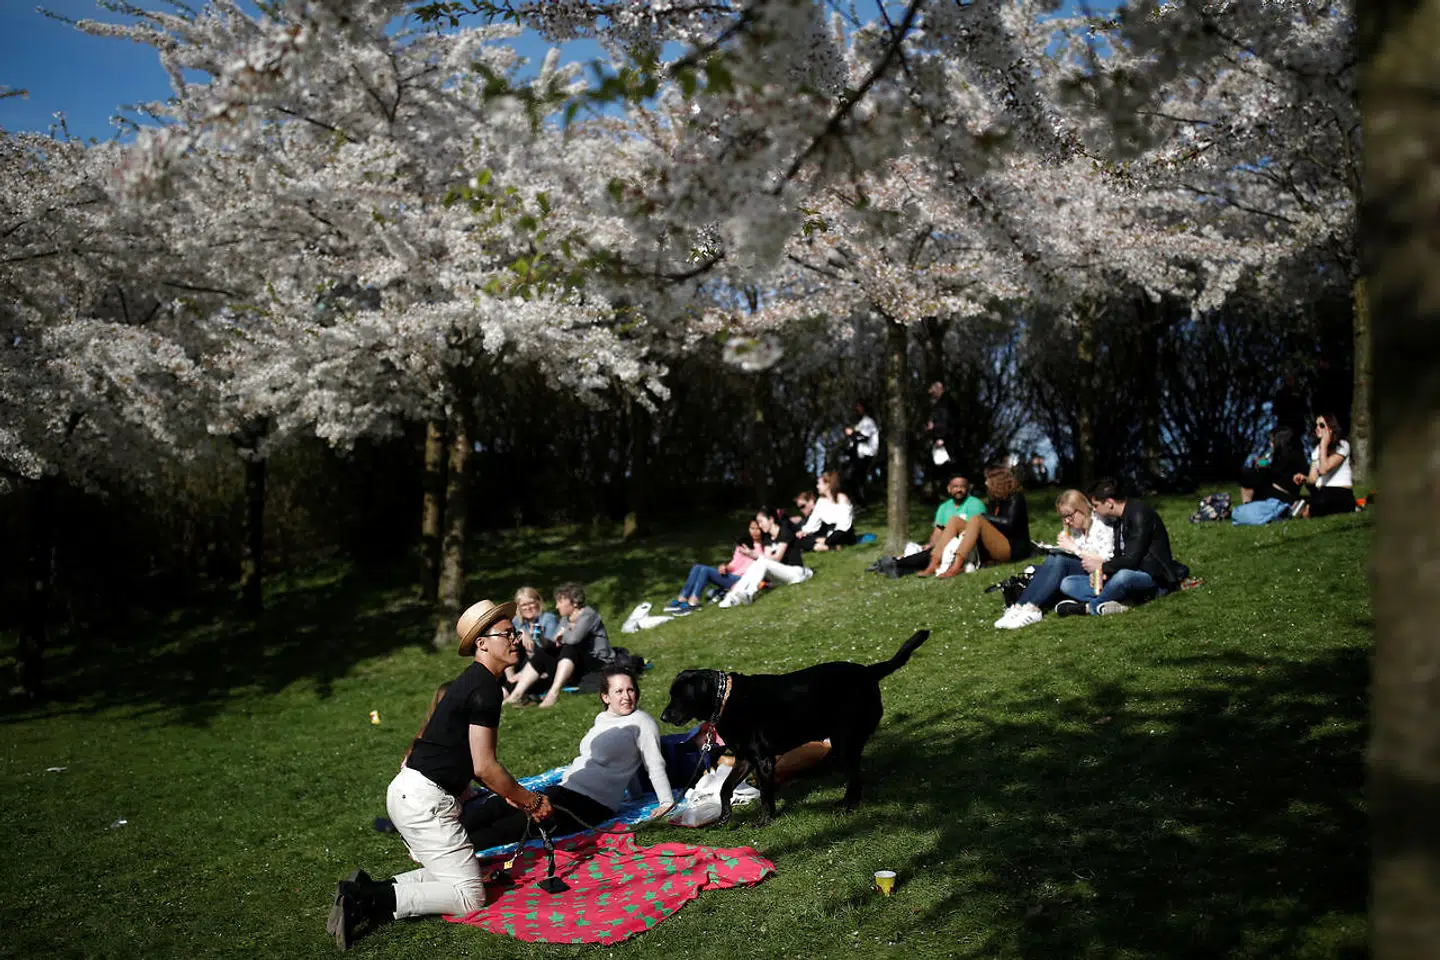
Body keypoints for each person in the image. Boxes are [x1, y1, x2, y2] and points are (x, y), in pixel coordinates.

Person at [328, 599, 552, 951]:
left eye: (516, 632)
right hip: (424, 802)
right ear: (482, 643)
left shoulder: (473, 682)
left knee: (452, 876)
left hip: (411, 793)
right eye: (507, 634)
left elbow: (467, 757)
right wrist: (532, 800)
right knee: (469, 896)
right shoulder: (486, 689)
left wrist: (509, 792)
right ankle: (365, 901)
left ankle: (370, 887)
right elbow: (485, 766)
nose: (516, 640)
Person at [462, 663, 674, 849]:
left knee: (514, 826)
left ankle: (451, 852)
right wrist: (635, 794)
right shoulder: (603, 719)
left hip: (590, 806)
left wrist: (666, 802)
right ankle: (440, 834)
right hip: (563, 792)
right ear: (605, 696)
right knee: (500, 804)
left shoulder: (642, 722)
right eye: (619, 691)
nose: (626, 696)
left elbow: (653, 763)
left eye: (630, 690)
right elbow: (628, 764)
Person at [1056, 477, 1189, 616]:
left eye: (1095, 505)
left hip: (1152, 576)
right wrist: (1104, 573)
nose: (1094, 510)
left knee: (1123, 577)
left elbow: (1132, 559)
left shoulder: (1139, 514)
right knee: (1068, 583)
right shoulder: (1118, 519)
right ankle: (1118, 602)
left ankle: (1089, 607)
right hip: (1126, 573)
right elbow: (1119, 556)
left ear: (1109, 503)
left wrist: (1102, 567)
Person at [995, 489, 1115, 629]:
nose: (1067, 521)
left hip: (1099, 573)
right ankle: (1019, 606)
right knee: (1054, 557)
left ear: (1081, 509)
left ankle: (1033, 608)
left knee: (1060, 560)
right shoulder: (1076, 528)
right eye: (1063, 517)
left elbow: (1106, 559)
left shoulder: (1102, 525)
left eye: (1069, 516)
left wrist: (1074, 548)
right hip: (1081, 566)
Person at [503, 583, 613, 708]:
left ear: (574, 603)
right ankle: (516, 694)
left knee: (569, 647)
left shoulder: (588, 615)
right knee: (543, 653)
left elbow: (573, 639)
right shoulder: (565, 619)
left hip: (596, 663)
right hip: (574, 664)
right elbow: (553, 645)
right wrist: (543, 639)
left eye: (560, 602)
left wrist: (562, 636)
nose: (556, 606)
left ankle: (553, 693)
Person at [921, 464, 1032, 578]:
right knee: (955, 520)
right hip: (996, 544)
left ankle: (957, 565)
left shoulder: (1016, 498)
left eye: (988, 480)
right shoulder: (994, 499)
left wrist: (984, 517)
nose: (986, 483)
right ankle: (933, 563)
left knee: (977, 518)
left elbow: (1009, 524)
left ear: (998, 481)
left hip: (1012, 550)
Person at [664, 519, 768, 613]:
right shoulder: (743, 544)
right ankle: (681, 599)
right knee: (697, 567)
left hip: (741, 580)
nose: (754, 531)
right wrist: (725, 567)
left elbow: (757, 568)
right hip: (731, 575)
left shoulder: (763, 547)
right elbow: (734, 563)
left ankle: (693, 602)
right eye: (752, 528)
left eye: (757, 529)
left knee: (704, 570)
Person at [718, 507, 814, 607]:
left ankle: (749, 593)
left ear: (771, 519)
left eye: (761, 522)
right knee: (759, 562)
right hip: (780, 576)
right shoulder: (768, 538)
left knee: (761, 561)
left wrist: (752, 554)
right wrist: (754, 556)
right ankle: (733, 597)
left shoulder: (784, 532)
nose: (760, 525)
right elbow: (766, 558)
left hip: (795, 572)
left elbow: (777, 558)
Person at [1233, 426, 1308, 525]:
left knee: (1248, 475)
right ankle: (1250, 507)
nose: (1270, 444)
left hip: (1277, 498)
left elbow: (1272, 473)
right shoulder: (1295, 459)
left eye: (1272, 442)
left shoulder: (1285, 462)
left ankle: (1249, 506)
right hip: (1278, 497)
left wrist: (1260, 466)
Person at [1295, 412, 1356, 518]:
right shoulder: (1316, 451)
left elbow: (1324, 469)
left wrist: (1324, 444)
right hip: (1323, 492)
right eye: (1316, 425)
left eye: (1322, 425)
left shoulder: (1343, 446)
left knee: (1316, 505)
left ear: (1331, 428)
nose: (1317, 428)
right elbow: (1313, 478)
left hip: (1340, 492)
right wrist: (1303, 478)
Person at [507, 586, 560, 689]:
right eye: (523, 605)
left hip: (544, 665)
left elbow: (550, 649)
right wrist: (522, 632)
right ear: (518, 607)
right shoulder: (516, 621)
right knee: (507, 643)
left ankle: (517, 681)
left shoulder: (548, 619)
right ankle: (510, 680)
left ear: (538, 602)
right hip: (522, 661)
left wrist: (538, 637)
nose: (528, 607)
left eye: (531, 603)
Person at [796, 471, 856, 551]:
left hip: (843, 533)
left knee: (835, 537)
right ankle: (828, 547)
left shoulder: (842, 498)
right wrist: (804, 532)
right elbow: (813, 521)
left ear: (827, 485)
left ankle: (822, 545)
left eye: (819, 484)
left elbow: (843, 525)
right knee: (799, 539)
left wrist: (827, 539)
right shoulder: (821, 501)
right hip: (828, 535)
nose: (817, 486)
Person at [842, 400, 880, 505]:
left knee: (856, 478)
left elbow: (864, 437)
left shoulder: (868, 421)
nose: (857, 409)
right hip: (858, 454)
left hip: (866, 454)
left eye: (859, 407)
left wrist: (852, 433)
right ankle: (860, 503)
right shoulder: (861, 422)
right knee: (853, 479)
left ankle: (863, 503)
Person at [924, 381, 958, 492]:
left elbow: (945, 421)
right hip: (944, 437)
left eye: (933, 390)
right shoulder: (944, 402)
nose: (931, 393)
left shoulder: (944, 404)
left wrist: (940, 436)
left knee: (946, 465)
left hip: (944, 438)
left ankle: (948, 489)